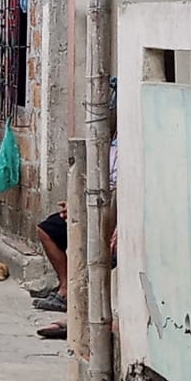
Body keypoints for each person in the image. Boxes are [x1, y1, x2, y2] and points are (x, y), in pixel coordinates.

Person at [37, 135, 118, 339]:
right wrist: (75, 205)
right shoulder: (109, 140)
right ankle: (67, 292)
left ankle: (87, 319)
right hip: (95, 201)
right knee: (48, 229)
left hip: (115, 207)